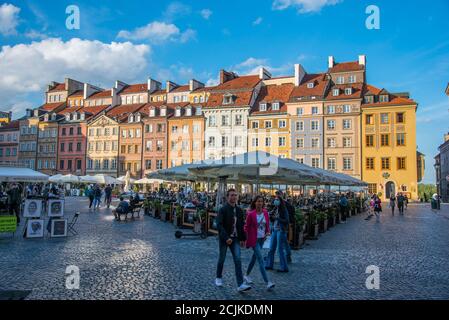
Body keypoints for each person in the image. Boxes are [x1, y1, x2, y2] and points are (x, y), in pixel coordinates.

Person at [215, 189, 251, 292]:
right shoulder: (223, 209)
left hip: (235, 238)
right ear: (227, 197)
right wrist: (226, 238)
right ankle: (218, 277)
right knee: (222, 258)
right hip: (225, 238)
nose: (234, 197)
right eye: (232, 195)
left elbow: (241, 225)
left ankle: (240, 284)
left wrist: (243, 238)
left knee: (238, 260)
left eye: (235, 195)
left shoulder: (239, 210)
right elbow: (219, 225)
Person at [243, 195, 275, 290]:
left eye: (261, 201)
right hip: (254, 239)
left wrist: (268, 232)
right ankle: (267, 282)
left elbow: (267, 224)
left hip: (262, 239)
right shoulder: (251, 214)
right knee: (260, 259)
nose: (260, 203)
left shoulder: (265, 212)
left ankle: (247, 275)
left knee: (254, 257)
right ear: (254, 202)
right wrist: (245, 238)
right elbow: (246, 227)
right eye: (258, 201)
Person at [265, 194, 289, 273]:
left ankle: (284, 267)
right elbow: (272, 219)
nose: (276, 201)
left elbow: (286, 220)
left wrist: (277, 218)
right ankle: (269, 264)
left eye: (277, 199)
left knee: (280, 249)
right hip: (274, 230)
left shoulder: (284, 210)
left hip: (281, 230)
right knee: (271, 248)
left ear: (280, 201)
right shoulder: (275, 209)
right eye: (275, 199)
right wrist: (271, 217)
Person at [275, 190, 293, 263]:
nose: (277, 196)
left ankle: (283, 259)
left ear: (281, 195)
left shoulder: (285, 204)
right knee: (285, 242)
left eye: (278, 195)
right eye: (276, 195)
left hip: (283, 226)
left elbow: (288, 215)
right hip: (281, 225)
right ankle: (288, 255)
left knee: (281, 244)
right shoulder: (278, 204)